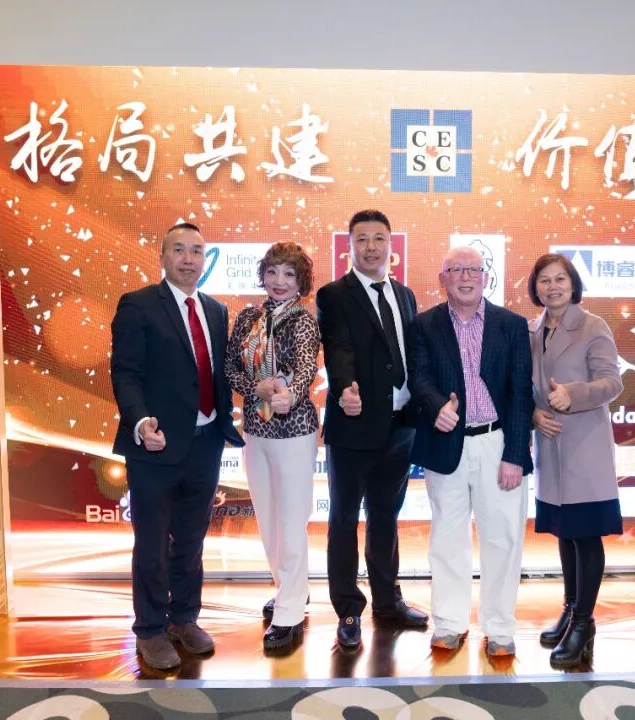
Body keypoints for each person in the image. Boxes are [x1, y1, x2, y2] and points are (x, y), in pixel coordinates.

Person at [110, 222, 244, 671]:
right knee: (152, 543)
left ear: (205, 260)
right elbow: (126, 372)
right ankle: (150, 629)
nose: (189, 259)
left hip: (205, 444)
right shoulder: (138, 304)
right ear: (163, 256)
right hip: (155, 446)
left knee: (190, 540)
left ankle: (183, 619)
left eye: (197, 251)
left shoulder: (216, 310)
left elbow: (217, 375)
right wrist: (140, 420)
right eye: (179, 250)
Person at [408, 246, 534, 659]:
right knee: (447, 537)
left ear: (486, 277)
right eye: (456, 269)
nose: (466, 277)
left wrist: (515, 454)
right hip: (446, 442)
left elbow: (520, 393)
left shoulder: (511, 325)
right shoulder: (424, 324)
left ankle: (499, 627)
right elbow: (419, 377)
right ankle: (449, 623)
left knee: (503, 538)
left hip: (498, 442)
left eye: (474, 270)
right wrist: (435, 407)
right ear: (442, 278)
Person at [316, 209, 429, 650]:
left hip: (401, 429)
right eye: (361, 239)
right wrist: (345, 388)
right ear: (349, 246)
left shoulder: (405, 295)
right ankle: (348, 610)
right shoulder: (334, 295)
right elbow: (338, 348)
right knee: (344, 520)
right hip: (354, 426)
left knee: (385, 518)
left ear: (390, 245)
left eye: (378, 238)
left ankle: (387, 601)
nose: (370, 247)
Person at [527, 252, 624, 668]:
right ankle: (570, 611)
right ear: (535, 288)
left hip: (585, 448)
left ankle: (584, 623)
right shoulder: (532, 331)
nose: (552, 287)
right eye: (544, 280)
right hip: (550, 446)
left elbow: (612, 383)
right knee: (565, 535)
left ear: (572, 284)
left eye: (560, 279)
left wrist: (573, 394)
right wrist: (534, 414)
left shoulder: (593, 326)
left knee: (586, 536)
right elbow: (526, 387)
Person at [224, 242, 320, 651]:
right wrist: (255, 387)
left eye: (289, 274)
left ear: (301, 282)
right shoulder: (248, 318)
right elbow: (230, 368)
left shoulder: (303, 322)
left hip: (294, 431)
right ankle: (288, 589)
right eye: (273, 272)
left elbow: (306, 368)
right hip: (256, 431)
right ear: (263, 275)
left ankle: (290, 614)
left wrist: (288, 395)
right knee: (267, 520)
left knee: (291, 522)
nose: (280, 281)